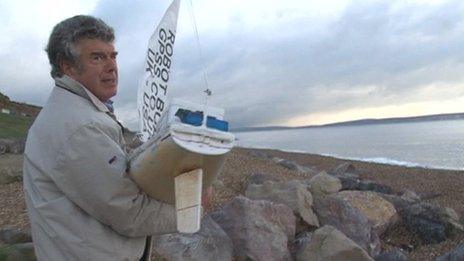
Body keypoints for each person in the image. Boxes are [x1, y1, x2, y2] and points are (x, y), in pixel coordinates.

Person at [23, 15, 178, 260]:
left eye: (112, 56)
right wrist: (192, 208)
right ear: (67, 66)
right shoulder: (80, 127)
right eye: (97, 57)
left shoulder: (78, 112)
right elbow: (130, 213)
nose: (111, 66)